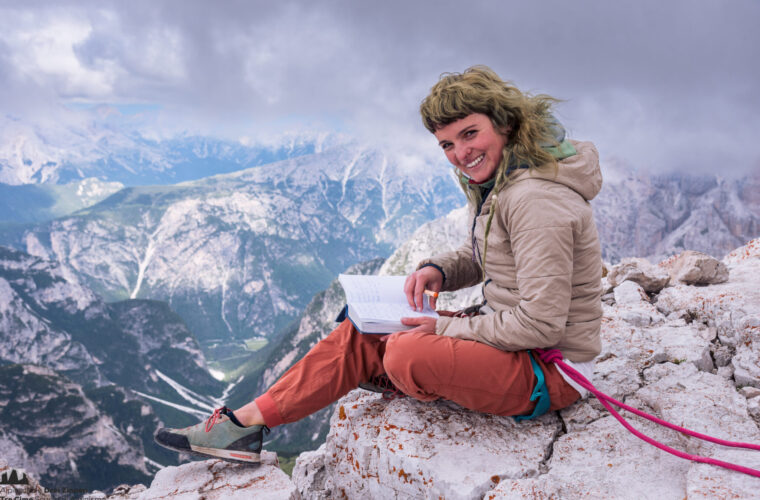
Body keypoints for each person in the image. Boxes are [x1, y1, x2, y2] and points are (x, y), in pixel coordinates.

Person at [154, 65, 603, 464]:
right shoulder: (505, 183)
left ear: (504, 124)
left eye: (470, 134)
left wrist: (443, 330)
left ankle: (395, 368)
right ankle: (244, 425)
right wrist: (439, 271)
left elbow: (542, 325)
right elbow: (494, 256)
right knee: (363, 328)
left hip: (549, 368)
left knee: (407, 349)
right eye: (447, 143)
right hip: (510, 346)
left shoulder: (536, 198)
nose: (460, 154)